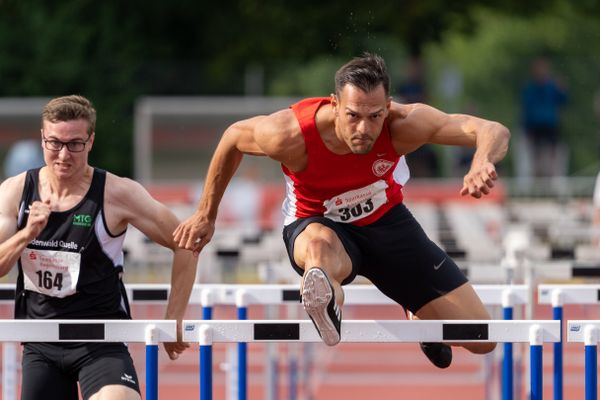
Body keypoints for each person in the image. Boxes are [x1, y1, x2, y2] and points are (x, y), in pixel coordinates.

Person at [174, 54, 509, 368]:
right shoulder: (290, 134)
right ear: (334, 106)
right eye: (353, 116)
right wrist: (206, 213)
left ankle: (416, 310)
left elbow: (492, 130)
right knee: (320, 251)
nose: (364, 128)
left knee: (482, 337)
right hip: (317, 223)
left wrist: (482, 160)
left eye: (375, 116)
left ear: (388, 107)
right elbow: (233, 137)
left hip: (386, 223)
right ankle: (325, 299)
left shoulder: (404, 124)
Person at [0, 95, 197, 400]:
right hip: (41, 342)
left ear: (90, 141)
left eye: (75, 144)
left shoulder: (117, 193)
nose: (64, 155)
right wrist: (26, 234)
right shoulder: (15, 192)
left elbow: (186, 243)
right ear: (42, 139)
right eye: (54, 143)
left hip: (101, 340)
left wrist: (174, 318)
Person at [520, 56, 568, 178]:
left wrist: (563, 89)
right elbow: (526, 108)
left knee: (552, 153)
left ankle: (552, 176)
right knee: (535, 155)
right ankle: (537, 177)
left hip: (550, 125)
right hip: (534, 126)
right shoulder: (530, 88)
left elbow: (563, 101)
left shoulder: (552, 87)